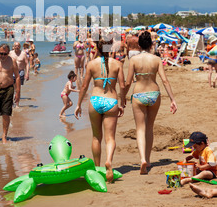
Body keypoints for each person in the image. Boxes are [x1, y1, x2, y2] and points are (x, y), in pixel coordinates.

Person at [124, 31, 177, 175]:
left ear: (139, 44)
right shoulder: (156, 59)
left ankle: (142, 160)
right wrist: (172, 99)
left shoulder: (134, 60)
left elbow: (128, 82)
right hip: (154, 94)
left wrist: (122, 97)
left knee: (140, 128)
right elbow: (165, 80)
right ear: (151, 44)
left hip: (139, 94)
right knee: (149, 128)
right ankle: (148, 159)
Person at [75, 37, 125, 183]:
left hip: (96, 101)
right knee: (110, 138)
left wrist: (78, 104)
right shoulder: (117, 64)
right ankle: (108, 161)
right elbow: (122, 85)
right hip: (111, 101)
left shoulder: (91, 64)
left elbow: (84, 86)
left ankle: (97, 169)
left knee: (96, 137)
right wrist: (122, 103)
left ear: (97, 47)